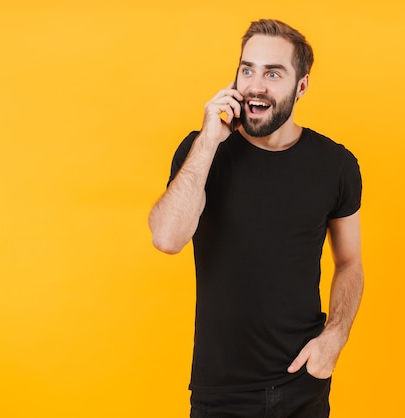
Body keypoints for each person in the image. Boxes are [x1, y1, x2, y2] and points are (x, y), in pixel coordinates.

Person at [149, 19, 363, 418]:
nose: (256, 85)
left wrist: (334, 337)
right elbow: (166, 238)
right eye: (247, 69)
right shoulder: (202, 152)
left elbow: (350, 262)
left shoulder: (335, 165)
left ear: (301, 86)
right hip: (221, 393)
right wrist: (209, 140)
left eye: (273, 73)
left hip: (304, 386)